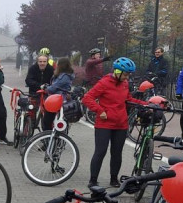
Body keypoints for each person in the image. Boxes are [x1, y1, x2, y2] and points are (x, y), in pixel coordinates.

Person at [82, 57, 145, 188]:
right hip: (104, 124)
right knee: (100, 151)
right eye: (126, 74)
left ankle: (114, 179)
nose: (127, 78)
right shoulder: (104, 83)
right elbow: (87, 98)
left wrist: (147, 104)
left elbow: (128, 99)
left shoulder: (125, 84)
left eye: (129, 75)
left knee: (117, 153)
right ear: (117, 71)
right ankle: (93, 180)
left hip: (121, 124)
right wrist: (100, 110)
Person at [42, 57, 74, 131]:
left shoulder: (64, 76)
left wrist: (46, 89)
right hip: (62, 98)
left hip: (58, 99)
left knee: (47, 120)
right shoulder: (66, 75)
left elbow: (55, 87)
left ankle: (47, 136)